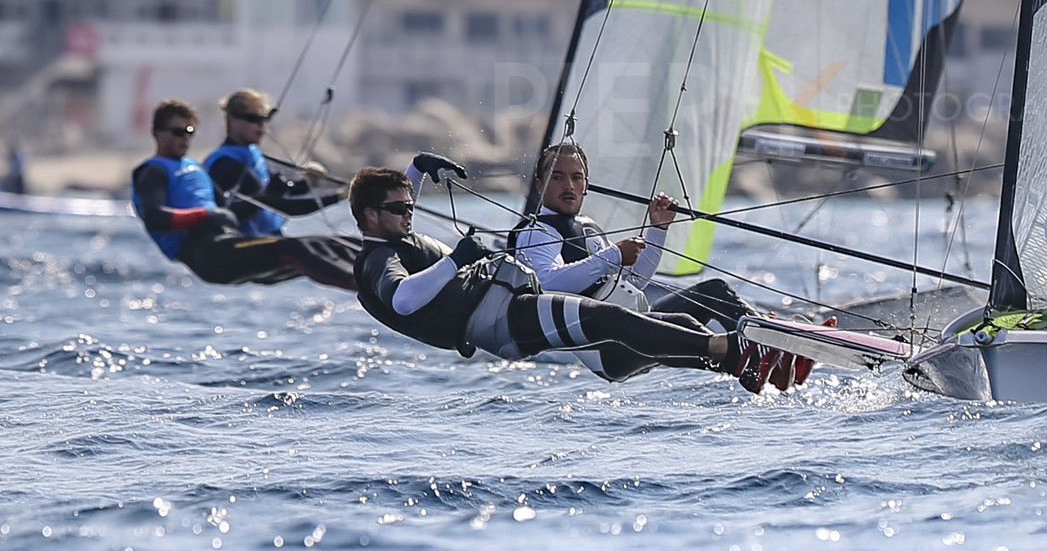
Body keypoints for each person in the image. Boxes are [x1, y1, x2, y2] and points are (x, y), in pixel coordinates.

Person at [351, 155, 770, 389]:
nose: (410, 213)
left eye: (410, 206)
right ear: (370, 216)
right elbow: (403, 300)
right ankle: (734, 350)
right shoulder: (378, 261)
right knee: (608, 319)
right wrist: (455, 260)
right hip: (498, 320)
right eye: (399, 209)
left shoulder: (392, 232)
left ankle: (755, 357)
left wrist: (417, 169)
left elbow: (391, 203)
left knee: (681, 316)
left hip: (509, 305)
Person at [509, 139, 809, 391]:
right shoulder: (536, 232)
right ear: (539, 184)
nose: (569, 185)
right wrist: (612, 256)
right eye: (557, 176)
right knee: (680, 323)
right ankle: (753, 358)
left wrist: (658, 230)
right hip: (607, 347)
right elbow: (546, 285)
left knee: (714, 291)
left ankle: (773, 351)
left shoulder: (587, 228)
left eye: (577, 177)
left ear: (586, 184)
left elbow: (633, 284)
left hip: (635, 326)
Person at [131, 99, 358, 290]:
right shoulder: (153, 171)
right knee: (295, 248)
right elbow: (155, 217)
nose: (185, 138)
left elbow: (232, 212)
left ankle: (384, 273)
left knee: (330, 243)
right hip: (205, 253)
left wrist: (281, 190)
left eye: (189, 132)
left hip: (228, 241)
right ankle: (363, 287)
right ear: (156, 132)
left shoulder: (194, 167)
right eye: (177, 132)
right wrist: (204, 215)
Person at [203, 89, 346, 236]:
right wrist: (340, 196)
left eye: (265, 119)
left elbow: (281, 191)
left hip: (269, 238)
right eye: (253, 119)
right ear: (231, 120)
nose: (261, 125)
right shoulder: (228, 164)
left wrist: (309, 181)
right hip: (246, 245)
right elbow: (282, 205)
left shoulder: (251, 153)